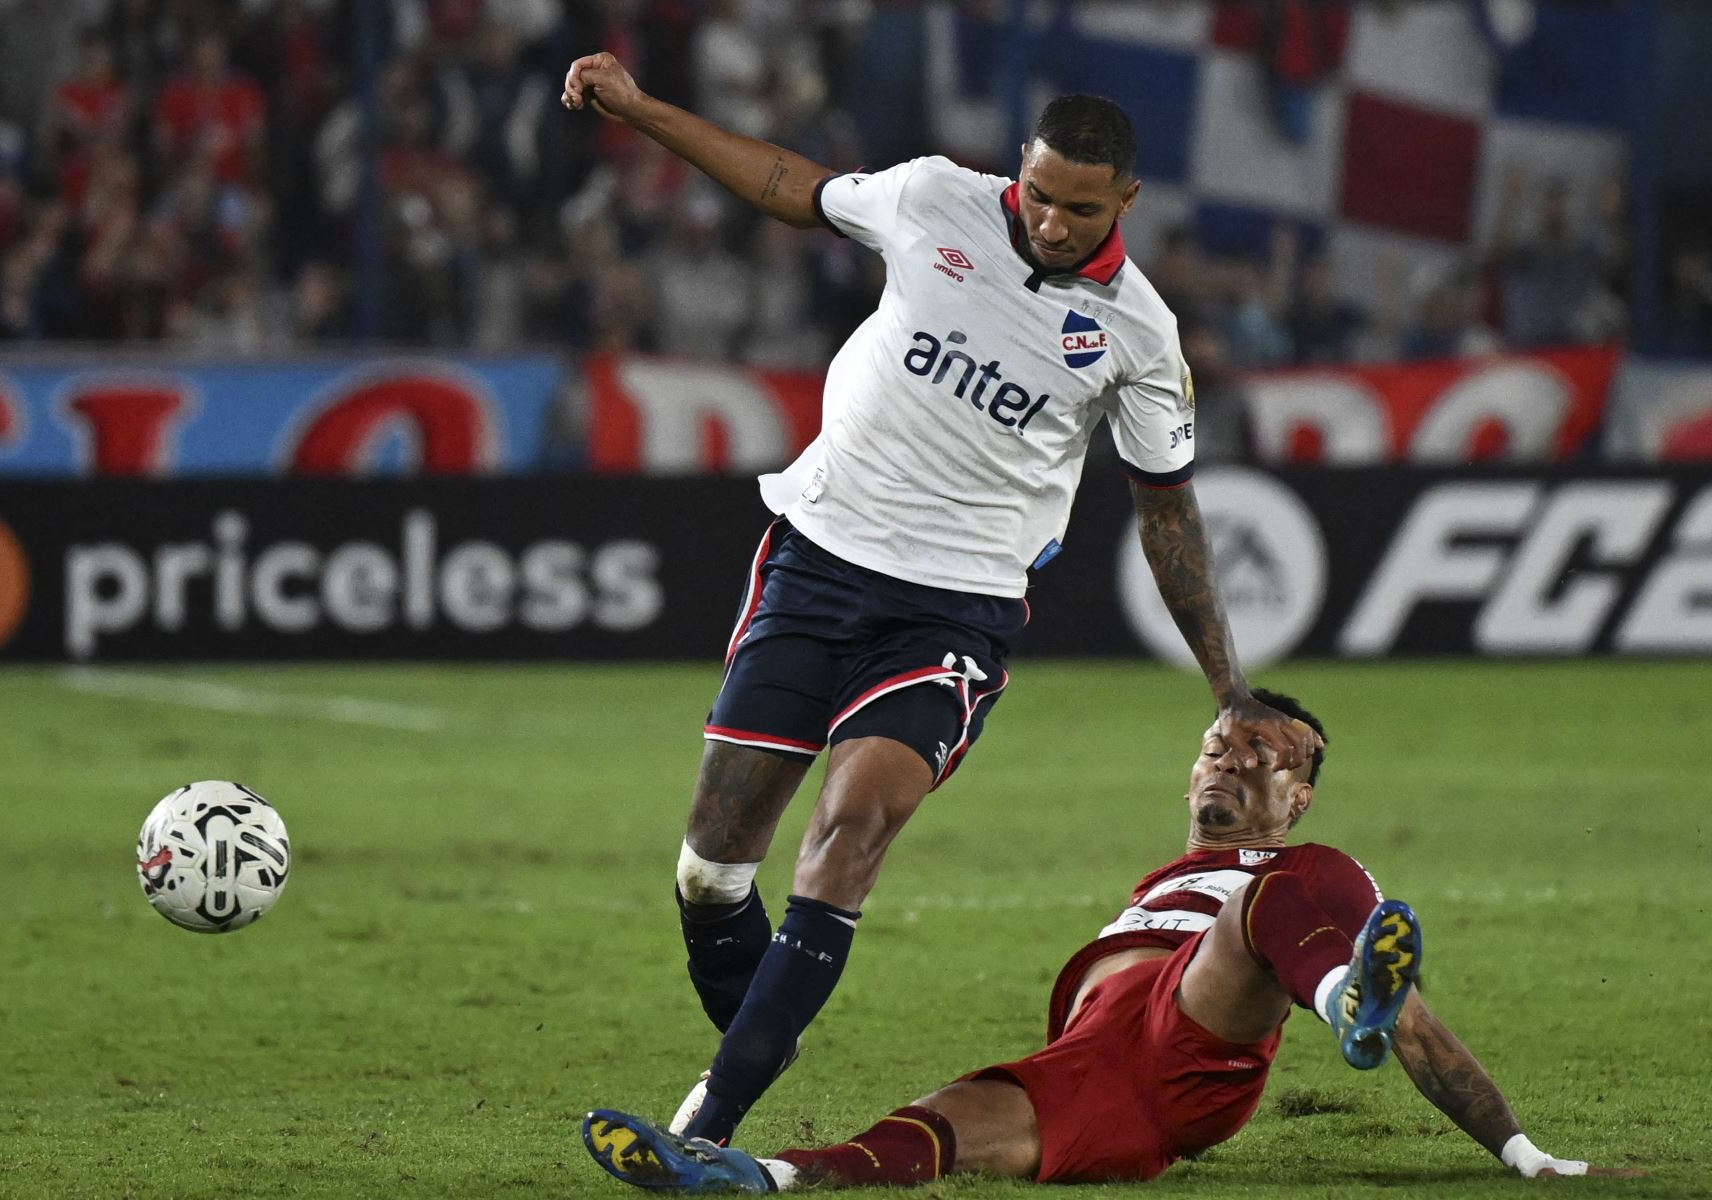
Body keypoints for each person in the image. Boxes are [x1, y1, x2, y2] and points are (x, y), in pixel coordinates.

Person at [560, 53, 1323, 1147]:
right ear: (1021, 169)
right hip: (817, 562)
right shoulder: (931, 200)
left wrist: (1229, 685)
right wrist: (643, 113)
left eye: (1082, 209)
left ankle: (708, 1124)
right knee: (713, 868)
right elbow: (790, 183)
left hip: (952, 612)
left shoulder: (1139, 336)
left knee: (855, 824)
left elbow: (1168, 514)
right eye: (1041, 195)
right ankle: (766, 1018)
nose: (1053, 224)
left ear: (1128, 204)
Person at [581, 691, 1640, 1192]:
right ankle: (747, 1174)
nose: (1233, 758)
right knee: (938, 1127)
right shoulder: (1160, 883)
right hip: (1099, 1062)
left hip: (1205, 1030)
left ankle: (1341, 1007)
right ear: (1190, 773)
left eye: (1264, 755)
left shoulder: (1313, 874)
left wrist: (1518, 1148)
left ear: (1299, 792)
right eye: (1221, 745)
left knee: (1275, 902)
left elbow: (1428, 1031)